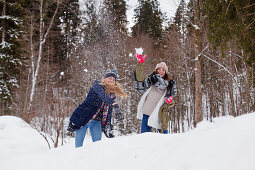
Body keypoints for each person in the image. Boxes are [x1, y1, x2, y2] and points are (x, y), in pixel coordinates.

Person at [67, 69, 127, 148]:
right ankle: (77, 159)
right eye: (109, 78)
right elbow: (103, 96)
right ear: (105, 79)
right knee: (78, 147)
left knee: (97, 146)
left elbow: (108, 112)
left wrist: (108, 125)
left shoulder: (112, 96)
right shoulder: (97, 86)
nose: (111, 80)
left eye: (113, 79)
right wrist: (114, 104)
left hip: (96, 122)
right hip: (84, 118)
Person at [133, 53, 176, 134]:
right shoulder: (150, 81)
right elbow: (139, 79)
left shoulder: (169, 85)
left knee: (164, 139)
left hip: (160, 115)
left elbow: (171, 103)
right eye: (159, 69)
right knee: (144, 137)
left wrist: (170, 101)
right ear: (156, 70)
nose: (161, 71)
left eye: (163, 70)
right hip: (147, 112)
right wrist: (140, 64)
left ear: (166, 72)